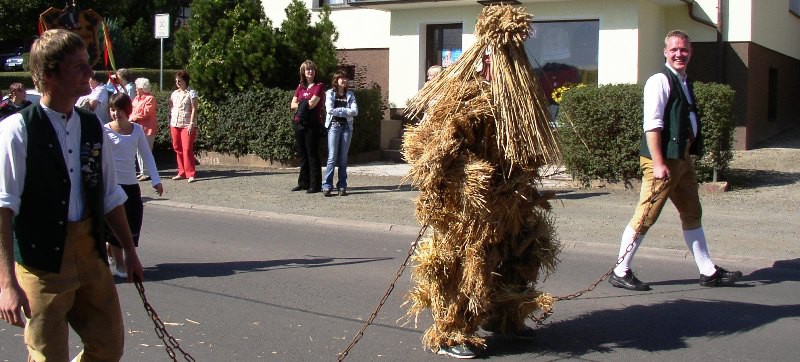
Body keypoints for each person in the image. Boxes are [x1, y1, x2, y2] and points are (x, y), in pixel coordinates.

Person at [0, 29, 143, 361]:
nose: (89, 74)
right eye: (78, 67)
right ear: (49, 75)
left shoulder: (92, 126)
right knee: (48, 355)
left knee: (108, 347)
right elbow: (4, 208)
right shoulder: (17, 131)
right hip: (41, 263)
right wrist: (7, 282)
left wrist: (131, 253)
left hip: (90, 252)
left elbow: (110, 194)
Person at [608, 30, 742, 292]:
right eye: (675, 50)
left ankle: (708, 271)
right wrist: (658, 164)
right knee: (646, 215)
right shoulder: (659, 80)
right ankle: (620, 271)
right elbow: (653, 126)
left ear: (690, 52)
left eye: (684, 50)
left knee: (692, 212)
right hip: (663, 161)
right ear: (665, 52)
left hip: (682, 159)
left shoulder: (683, 80)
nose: (680, 54)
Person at [104, 93, 163, 278]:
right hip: (113, 186)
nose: (116, 114)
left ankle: (111, 249)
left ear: (128, 111)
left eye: (120, 110)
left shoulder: (136, 130)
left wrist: (156, 179)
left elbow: (146, 155)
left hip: (131, 185)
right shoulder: (104, 130)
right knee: (115, 226)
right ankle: (120, 264)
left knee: (132, 223)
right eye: (113, 110)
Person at [290, 60, 325, 193]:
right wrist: (304, 103)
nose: (310, 71)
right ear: (303, 72)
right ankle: (303, 182)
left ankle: (315, 184)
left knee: (312, 154)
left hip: (312, 124)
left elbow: (312, 104)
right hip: (300, 123)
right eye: (307, 69)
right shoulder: (300, 87)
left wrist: (301, 102)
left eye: (312, 69)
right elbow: (292, 105)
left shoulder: (319, 86)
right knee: (303, 154)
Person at [322, 70, 358, 197]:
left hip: (347, 128)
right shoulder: (330, 93)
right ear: (336, 80)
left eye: (346, 78)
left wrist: (341, 111)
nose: (344, 80)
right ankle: (327, 185)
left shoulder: (350, 95)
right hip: (334, 126)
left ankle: (342, 185)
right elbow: (330, 110)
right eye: (341, 78)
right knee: (332, 157)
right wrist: (345, 110)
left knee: (343, 158)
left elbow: (355, 111)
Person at [169, 70, 199, 183]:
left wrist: (192, 123)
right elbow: (171, 106)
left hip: (187, 124)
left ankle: (190, 173)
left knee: (187, 149)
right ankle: (181, 172)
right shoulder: (174, 93)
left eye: (179, 80)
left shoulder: (192, 92)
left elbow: (195, 108)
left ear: (185, 81)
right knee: (177, 148)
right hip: (175, 124)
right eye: (176, 80)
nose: (177, 82)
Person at [130, 78, 158, 181]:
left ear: (142, 88)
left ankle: (147, 172)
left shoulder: (150, 98)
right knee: (138, 151)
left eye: (137, 86)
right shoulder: (136, 98)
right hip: (137, 128)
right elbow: (132, 110)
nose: (135, 88)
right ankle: (142, 171)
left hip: (148, 128)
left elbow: (146, 112)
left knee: (146, 151)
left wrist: (133, 118)